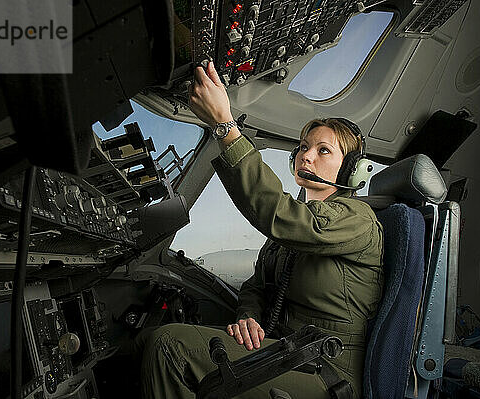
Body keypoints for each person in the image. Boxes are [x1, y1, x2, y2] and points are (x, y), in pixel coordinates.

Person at [137, 62, 383, 399]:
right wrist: (249, 317)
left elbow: (277, 214)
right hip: (287, 350)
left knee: (169, 347)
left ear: (352, 171)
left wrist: (225, 127)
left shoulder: (357, 219)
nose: (306, 156)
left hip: (327, 371)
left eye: (323, 150)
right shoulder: (297, 223)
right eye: (304, 147)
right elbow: (257, 286)